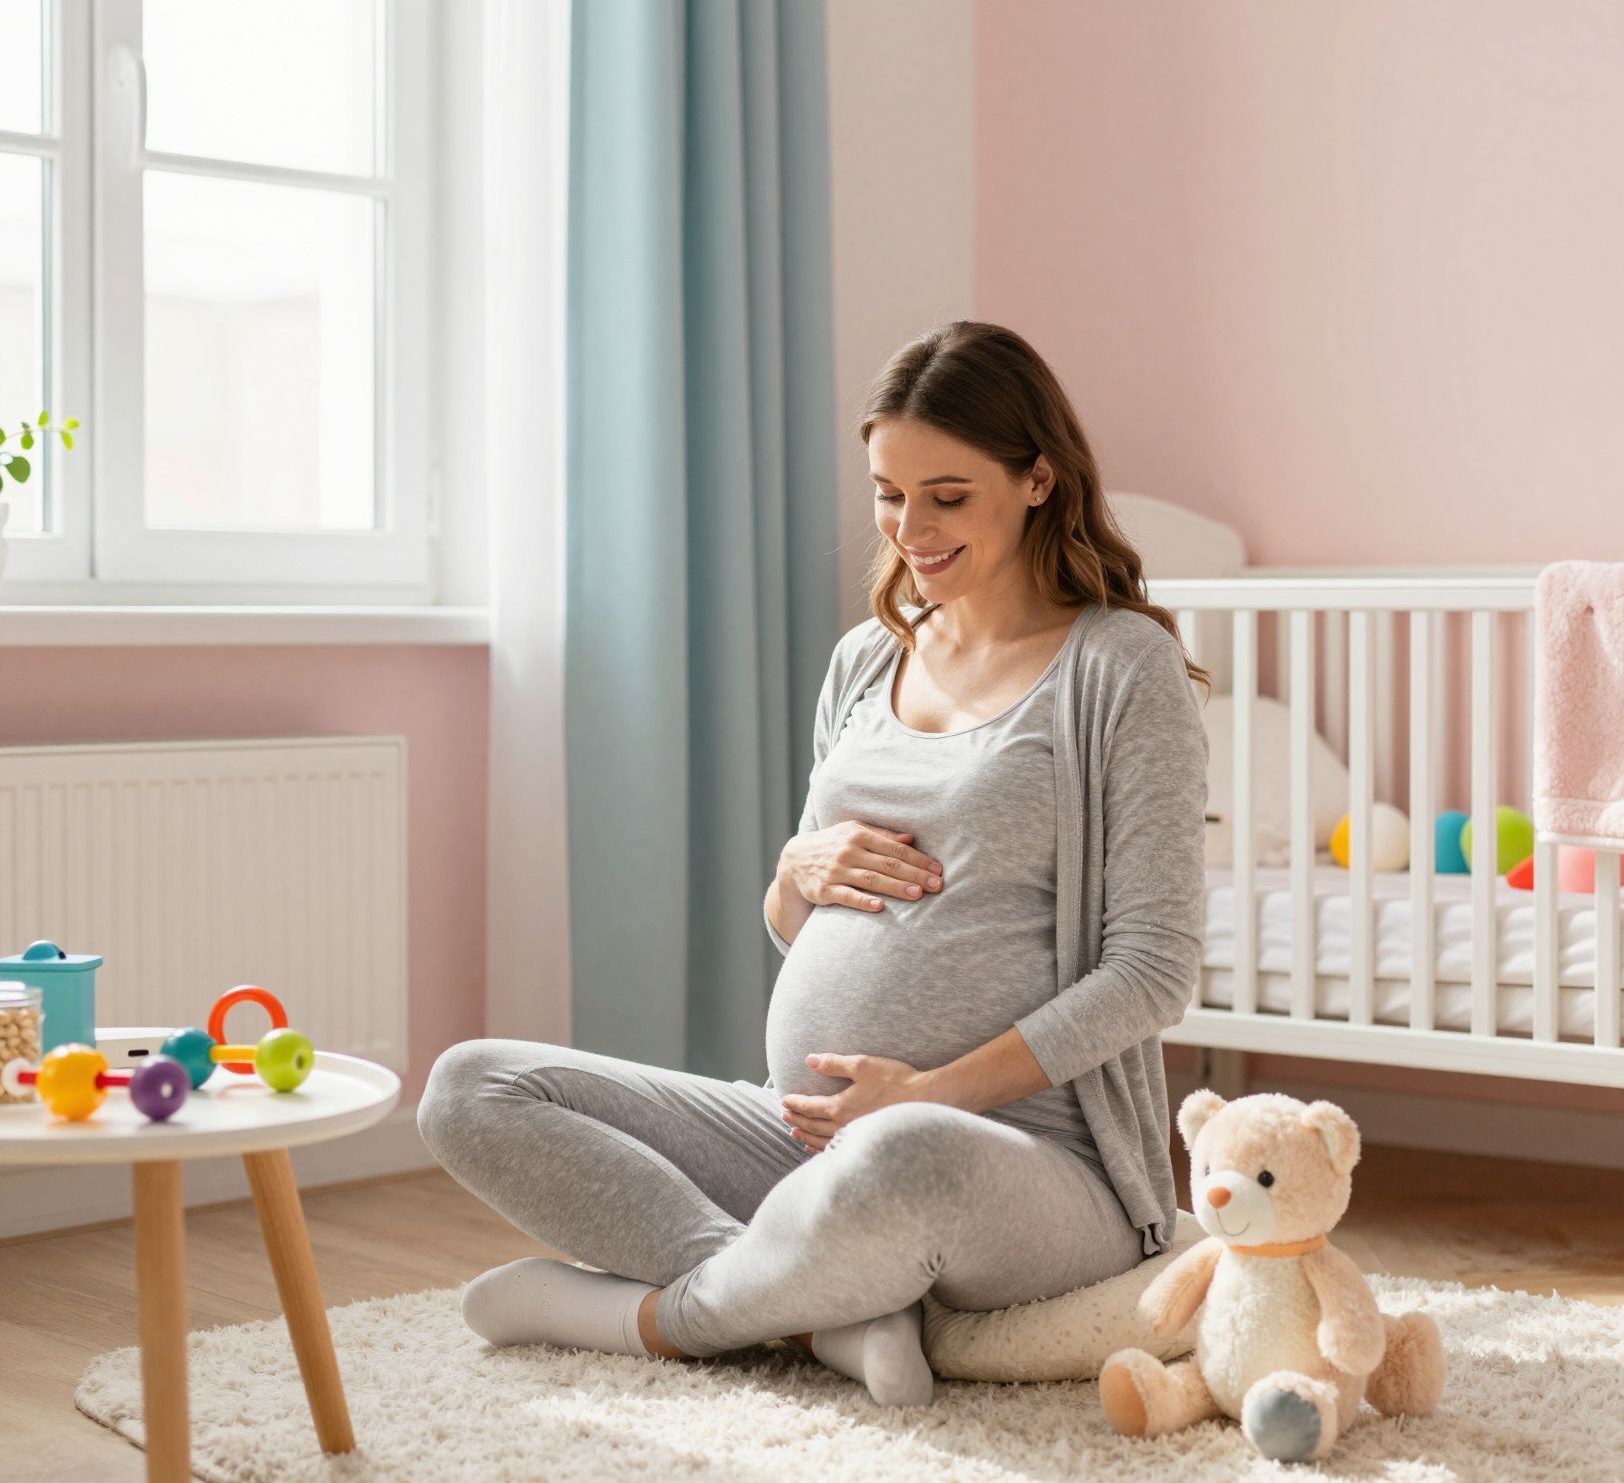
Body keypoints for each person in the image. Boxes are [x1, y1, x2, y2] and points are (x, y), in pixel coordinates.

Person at [416, 320, 1212, 1407]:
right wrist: (797, 869)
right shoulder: (865, 657)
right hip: (802, 1136)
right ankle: (827, 1308)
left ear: (1036, 479)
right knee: (472, 1087)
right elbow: (797, 926)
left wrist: (927, 1094)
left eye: (947, 494)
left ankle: (654, 1319)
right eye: (888, 492)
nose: (908, 528)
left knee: (901, 1163)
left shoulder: (1121, 667)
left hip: (1012, 1159)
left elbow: (1153, 971)